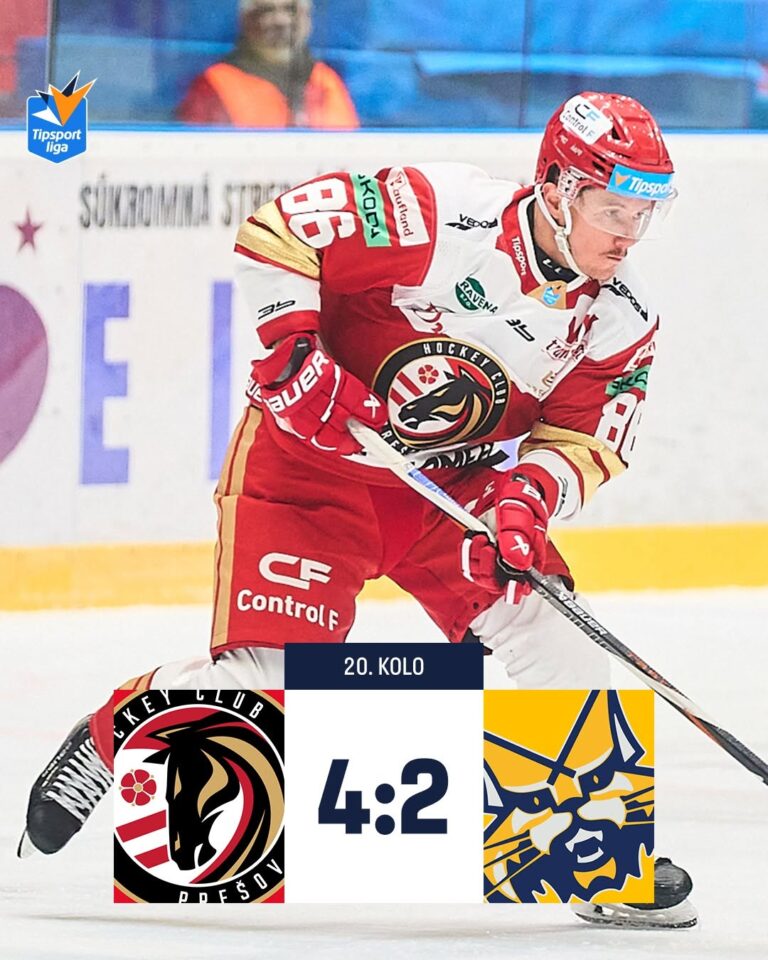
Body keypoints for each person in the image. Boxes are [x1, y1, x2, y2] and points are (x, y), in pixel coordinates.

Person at [20, 91, 696, 928]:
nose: (628, 235)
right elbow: (279, 232)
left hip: (452, 496)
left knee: (557, 630)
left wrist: (529, 496)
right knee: (271, 684)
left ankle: (587, 850)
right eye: (612, 209)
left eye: (643, 214)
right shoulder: (443, 212)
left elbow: (586, 438)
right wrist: (293, 350)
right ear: (557, 189)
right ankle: (111, 732)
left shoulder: (622, 318)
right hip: (311, 476)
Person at [177, 0, 359, 128]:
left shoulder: (327, 79)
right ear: (245, 20)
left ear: (308, 19)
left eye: (291, 9)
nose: (281, 21)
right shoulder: (214, 84)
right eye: (266, 11)